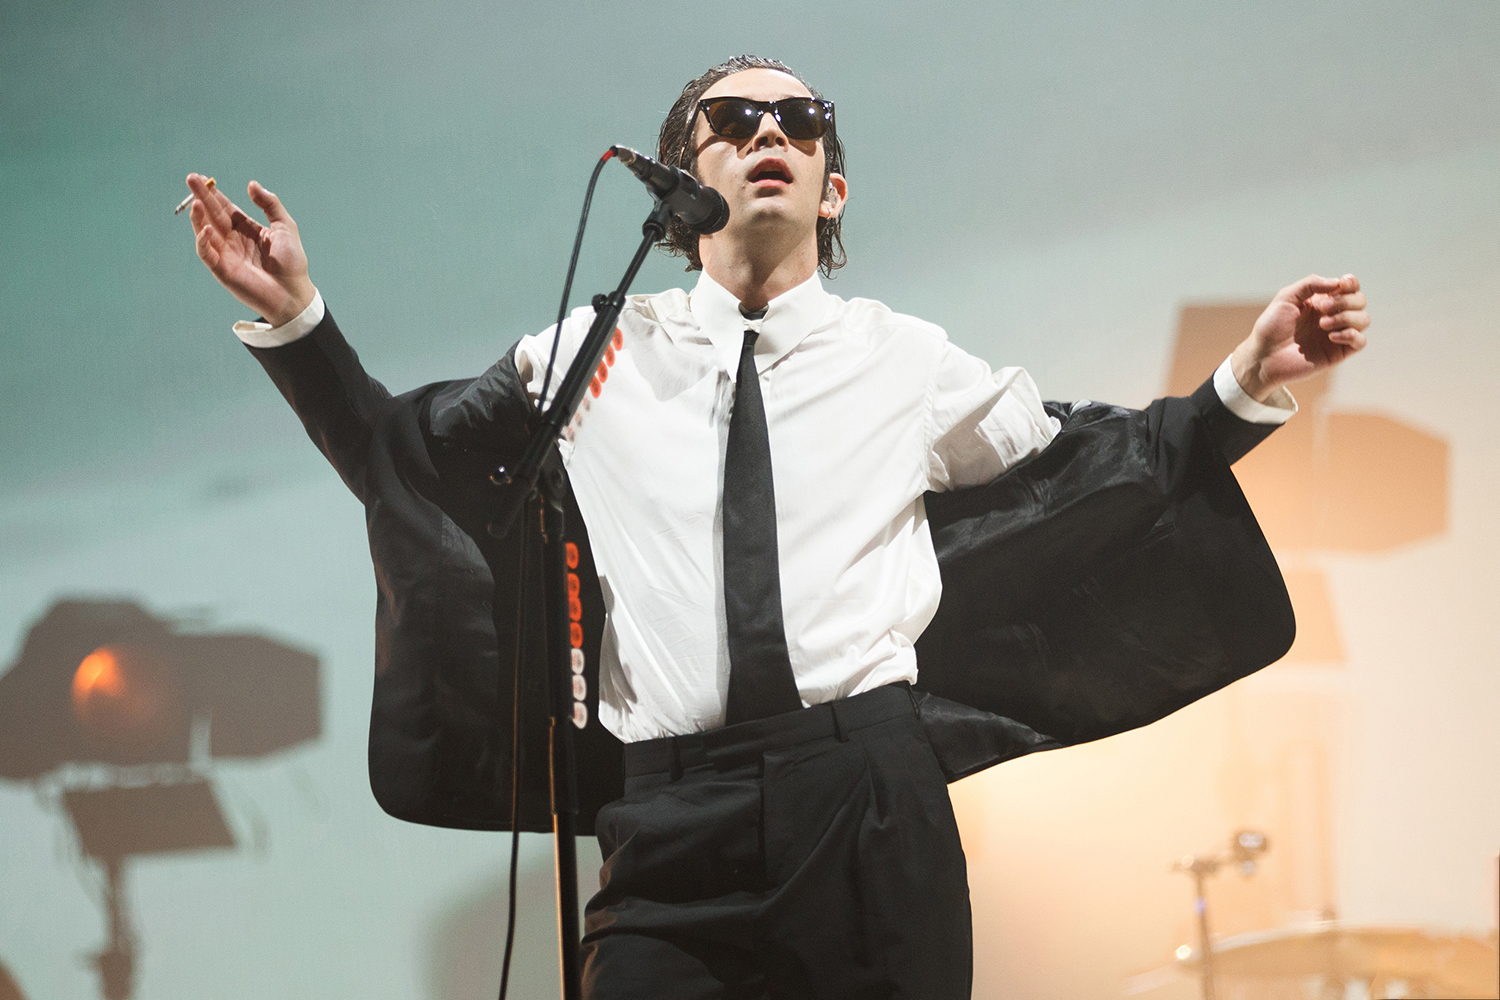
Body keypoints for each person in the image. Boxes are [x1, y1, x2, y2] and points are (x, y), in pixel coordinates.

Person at [185, 54, 1368, 1000]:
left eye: (801, 122)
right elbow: (405, 466)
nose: (771, 133)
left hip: (863, 806)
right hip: (664, 821)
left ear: (829, 188)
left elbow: (1099, 467)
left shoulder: (906, 359)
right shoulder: (588, 355)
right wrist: (299, 323)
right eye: (735, 118)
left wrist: (1244, 384)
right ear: (679, 182)